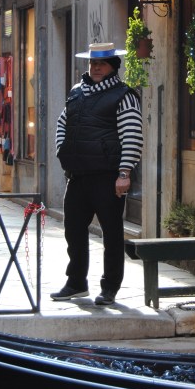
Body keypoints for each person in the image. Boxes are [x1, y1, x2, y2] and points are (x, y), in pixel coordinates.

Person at [51, 42, 143, 306]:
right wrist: (63, 153)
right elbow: (62, 124)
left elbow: (133, 136)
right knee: (73, 232)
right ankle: (76, 283)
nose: (96, 67)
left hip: (109, 177)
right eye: (93, 63)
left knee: (112, 235)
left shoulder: (124, 95)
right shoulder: (76, 92)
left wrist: (124, 173)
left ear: (113, 66)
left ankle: (110, 287)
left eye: (101, 63)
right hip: (78, 176)